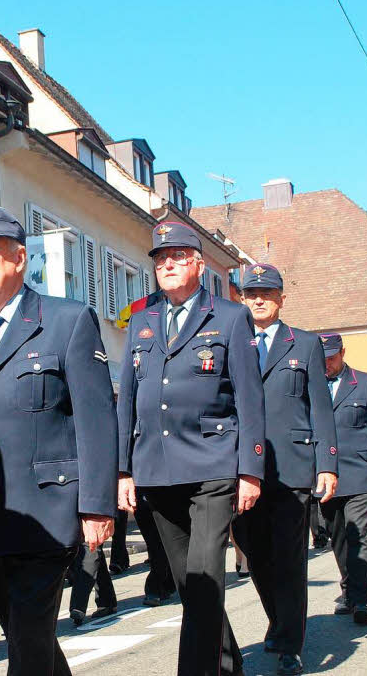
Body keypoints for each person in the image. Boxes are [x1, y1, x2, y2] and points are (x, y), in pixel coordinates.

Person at [0, 203, 117, 676]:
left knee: (27, 642)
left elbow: (96, 420)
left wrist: (97, 505)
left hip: (46, 513)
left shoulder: (67, 321)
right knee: (28, 636)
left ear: (19, 259)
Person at [117, 222, 265, 676]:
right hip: (156, 469)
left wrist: (251, 469)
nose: (167, 265)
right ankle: (226, 665)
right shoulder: (141, 319)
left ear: (199, 264)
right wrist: (122, 470)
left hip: (212, 465)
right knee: (190, 583)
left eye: (178, 257)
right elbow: (128, 397)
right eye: (160, 259)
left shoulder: (228, 316)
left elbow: (247, 395)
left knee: (204, 575)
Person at [234, 263, 337, 676]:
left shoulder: (305, 343)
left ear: (280, 297)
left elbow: (320, 408)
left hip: (293, 467)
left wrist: (326, 464)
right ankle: (280, 622)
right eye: (250, 293)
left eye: (267, 292)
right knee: (256, 555)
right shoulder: (232, 339)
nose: (258, 299)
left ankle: (288, 643)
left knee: (290, 558)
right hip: (243, 469)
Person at [317, 334, 367, 626]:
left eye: (332, 357)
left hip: (360, 472)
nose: (328, 363)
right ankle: (349, 589)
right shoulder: (312, 387)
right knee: (338, 536)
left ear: (343, 353)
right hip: (324, 475)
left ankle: (361, 597)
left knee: (358, 533)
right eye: (323, 359)